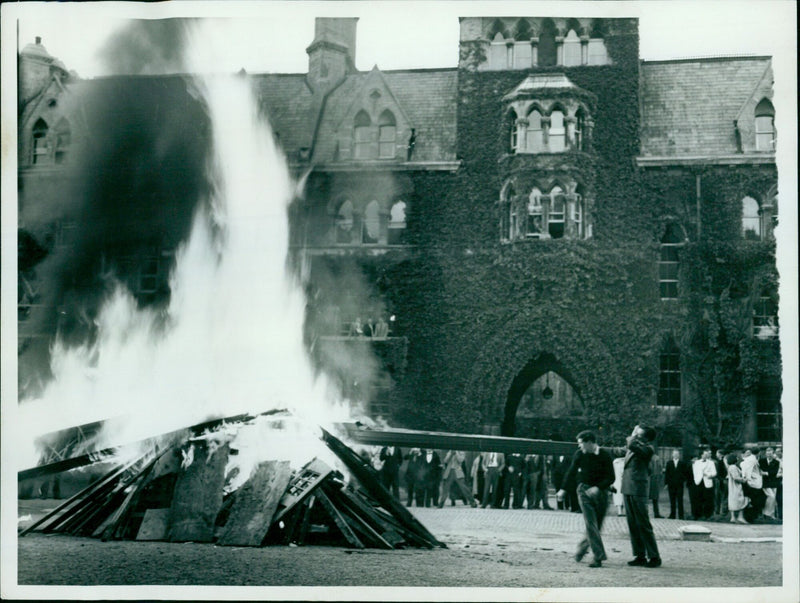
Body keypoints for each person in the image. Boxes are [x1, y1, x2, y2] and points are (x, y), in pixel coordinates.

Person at [557, 430, 615, 568]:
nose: (580, 447)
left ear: (590, 442)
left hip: (601, 493)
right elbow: (571, 472)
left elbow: (611, 477)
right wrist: (563, 489)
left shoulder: (605, 455)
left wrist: (598, 487)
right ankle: (598, 556)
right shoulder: (579, 455)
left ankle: (581, 550)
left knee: (596, 526)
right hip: (583, 491)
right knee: (591, 524)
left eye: (581, 444)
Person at [608, 425, 662, 568]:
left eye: (639, 434)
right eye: (636, 434)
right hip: (628, 488)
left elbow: (631, 444)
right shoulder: (635, 447)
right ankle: (639, 555)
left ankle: (654, 556)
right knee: (633, 524)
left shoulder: (648, 449)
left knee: (643, 524)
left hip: (638, 489)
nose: (636, 435)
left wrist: (632, 433)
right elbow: (619, 450)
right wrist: (597, 450)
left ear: (646, 437)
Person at [741, 447, 765, 522]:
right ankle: (751, 517)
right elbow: (749, 470)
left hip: (752, 482)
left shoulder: (749, 459)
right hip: (753, 483)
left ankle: (752, 517)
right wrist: (749, 479)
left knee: (753, 500)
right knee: (756, 500)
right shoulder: (752, 460)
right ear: (759, 452)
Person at [664, 449, 689, 519]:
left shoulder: (682, 463)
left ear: (679, 455)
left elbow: (685, 473)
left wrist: (682, 480)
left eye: (677, 454)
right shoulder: (669, 463)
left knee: (680, 500)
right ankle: (672, 515)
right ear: (672, 455)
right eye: (674, 454)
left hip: (679, 485)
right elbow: (667, 474)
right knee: (672, 500)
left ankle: (681, 515)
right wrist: (666, 483)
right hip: (671, 485)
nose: (676, 455)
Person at [693, 449, 717, 520]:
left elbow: (714, 473)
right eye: (704, 454)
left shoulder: (711, 463)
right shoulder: (697, 462)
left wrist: (708, 475)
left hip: (707, 482)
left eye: (707, 454)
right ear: (701, 455)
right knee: (698, 499)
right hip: (699, 482)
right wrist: (696, 479)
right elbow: (695, 472)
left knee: (707, 499)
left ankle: (707, 515)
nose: (705, 456)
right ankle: (698, 515)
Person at [726, 452, 748, 523]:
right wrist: (744, 480)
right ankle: (740, 517)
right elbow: (736, 477)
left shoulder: (731, 467)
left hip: (732, 486)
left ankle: (733, 517)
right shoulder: (733, 467)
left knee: (733, 500)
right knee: (740, 500)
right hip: (736, 486)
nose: (738, 459)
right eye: (736, 457)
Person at [759, 447, 780, 521]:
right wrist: (767, 473)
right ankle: (766, 513)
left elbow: (774, 472)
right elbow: (759, 471)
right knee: (771, 496)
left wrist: (765, 473)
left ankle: (771, 515)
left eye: (771, 453)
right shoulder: (761, 461)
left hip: (773, 482)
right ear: (765, 454)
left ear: (773, 453)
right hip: (765, 483)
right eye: (768, 453)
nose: (769, 455)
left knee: (773, 498)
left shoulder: (776, 462)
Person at [714, 449, 728, 518]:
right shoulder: (723, 461)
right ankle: (720, 511)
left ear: (720, 454)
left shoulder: (721, 461)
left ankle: (720, 511)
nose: (716, 455)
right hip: (722, 480)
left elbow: (720, 472)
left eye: (717, 453)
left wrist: (720, 479)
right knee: (722, 496)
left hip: (721, 480)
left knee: (720, 496)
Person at [649, 453, 664, 518]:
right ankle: (656, 513)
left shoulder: (646, 458)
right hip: (655, 480)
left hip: (648, 479)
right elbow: (660, 470)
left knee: (645, 498)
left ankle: (645, 513)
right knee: (655, 498)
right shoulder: (657, 458)